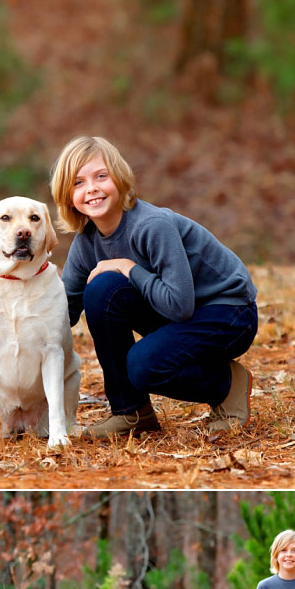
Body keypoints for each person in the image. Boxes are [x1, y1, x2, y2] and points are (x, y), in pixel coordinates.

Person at [49, 135, 259, 437]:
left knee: (145, 365)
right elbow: (62, 312)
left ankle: (227, 385)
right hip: (180, 315)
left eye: (100, 176)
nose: (91, 188)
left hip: (228, 312)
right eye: (78, 183)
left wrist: (128, 266)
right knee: (101, 289)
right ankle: (131, 412)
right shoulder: (86, 242)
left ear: (119, 179)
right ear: (68, 196)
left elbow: (180, 305)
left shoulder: (151, 225)